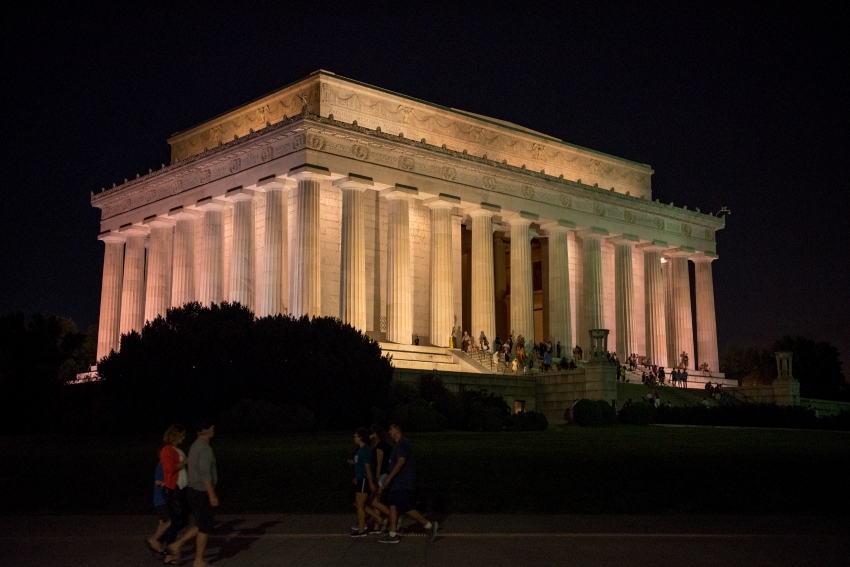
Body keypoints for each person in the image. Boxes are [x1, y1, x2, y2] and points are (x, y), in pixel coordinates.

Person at [378, 423, 438, 544]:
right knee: (392, 505)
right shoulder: (397, 446)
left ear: (396, 430)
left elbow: (401, 462)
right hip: (396, 484)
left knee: (406, 507)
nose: (389, 432)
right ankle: (393, 534)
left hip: (403, 483)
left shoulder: (402, 444)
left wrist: (389, 477)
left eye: (390, 429)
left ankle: (428, 525)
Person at [161, 424, 197, 566]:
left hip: (180, 490)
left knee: (183, 520)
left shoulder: (177, 449)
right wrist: (186, 461)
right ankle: (169, 553)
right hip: (172, 491)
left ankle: (165, 544)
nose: (183, 438)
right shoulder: (167, 450)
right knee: (177, 521)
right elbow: (170, 469)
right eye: (181, 435)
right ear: (175, 436)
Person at [186, 419, 218, 567]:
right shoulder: (204, 449)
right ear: (205, 430)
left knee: (201, 524)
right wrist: (212, 495)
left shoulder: (195, 446)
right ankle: (198, 560)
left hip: (193, 490)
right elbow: (205, 474)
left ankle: (176, 546)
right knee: (205, 526)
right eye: (211, 427)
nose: (213, 429)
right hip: (201, 492)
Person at [351, 428, 383, 537]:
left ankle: (361, 530)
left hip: (364, 479)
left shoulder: (365, 450)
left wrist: (370, 482)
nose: (354, 438)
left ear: (361, 438)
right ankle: (377, 518)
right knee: (360, 504)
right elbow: (359, 464)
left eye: (355, 436)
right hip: (360, 478)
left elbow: (368, 467)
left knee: (360, 504)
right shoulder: (360, 450)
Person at [146, 461, 170, 556]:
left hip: (162, 499)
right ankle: (154, 540)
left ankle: (157, 546)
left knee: (162, 522)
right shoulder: (161, 465)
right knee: (169, 521)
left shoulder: (165, 464)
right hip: (161, 499)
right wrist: (168, 483)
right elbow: (157, 481)